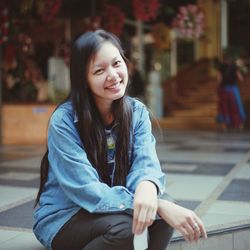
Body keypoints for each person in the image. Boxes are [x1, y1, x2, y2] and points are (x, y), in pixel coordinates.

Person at [33, 29, 207, 250]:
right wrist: (158, 204)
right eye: (99, 70)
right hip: (64, 218)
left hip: (111, 212)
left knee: (158, 214)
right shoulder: (64, 121)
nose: (113, 75)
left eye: (116, 63)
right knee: (124, 228)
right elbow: (86, 189)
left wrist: (148, 189)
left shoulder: (137, 112)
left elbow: (145, 163)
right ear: (83, 79)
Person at [216, 55, 247, 130]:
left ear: (223, 60)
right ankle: (240, 125)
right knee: (236, 106)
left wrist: (218, 87)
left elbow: (219, 79)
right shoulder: (234, 67)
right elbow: (240, 78)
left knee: (224, 107)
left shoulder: (220, 67)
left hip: (224, 89)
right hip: (233, 89)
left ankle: (225, 125)